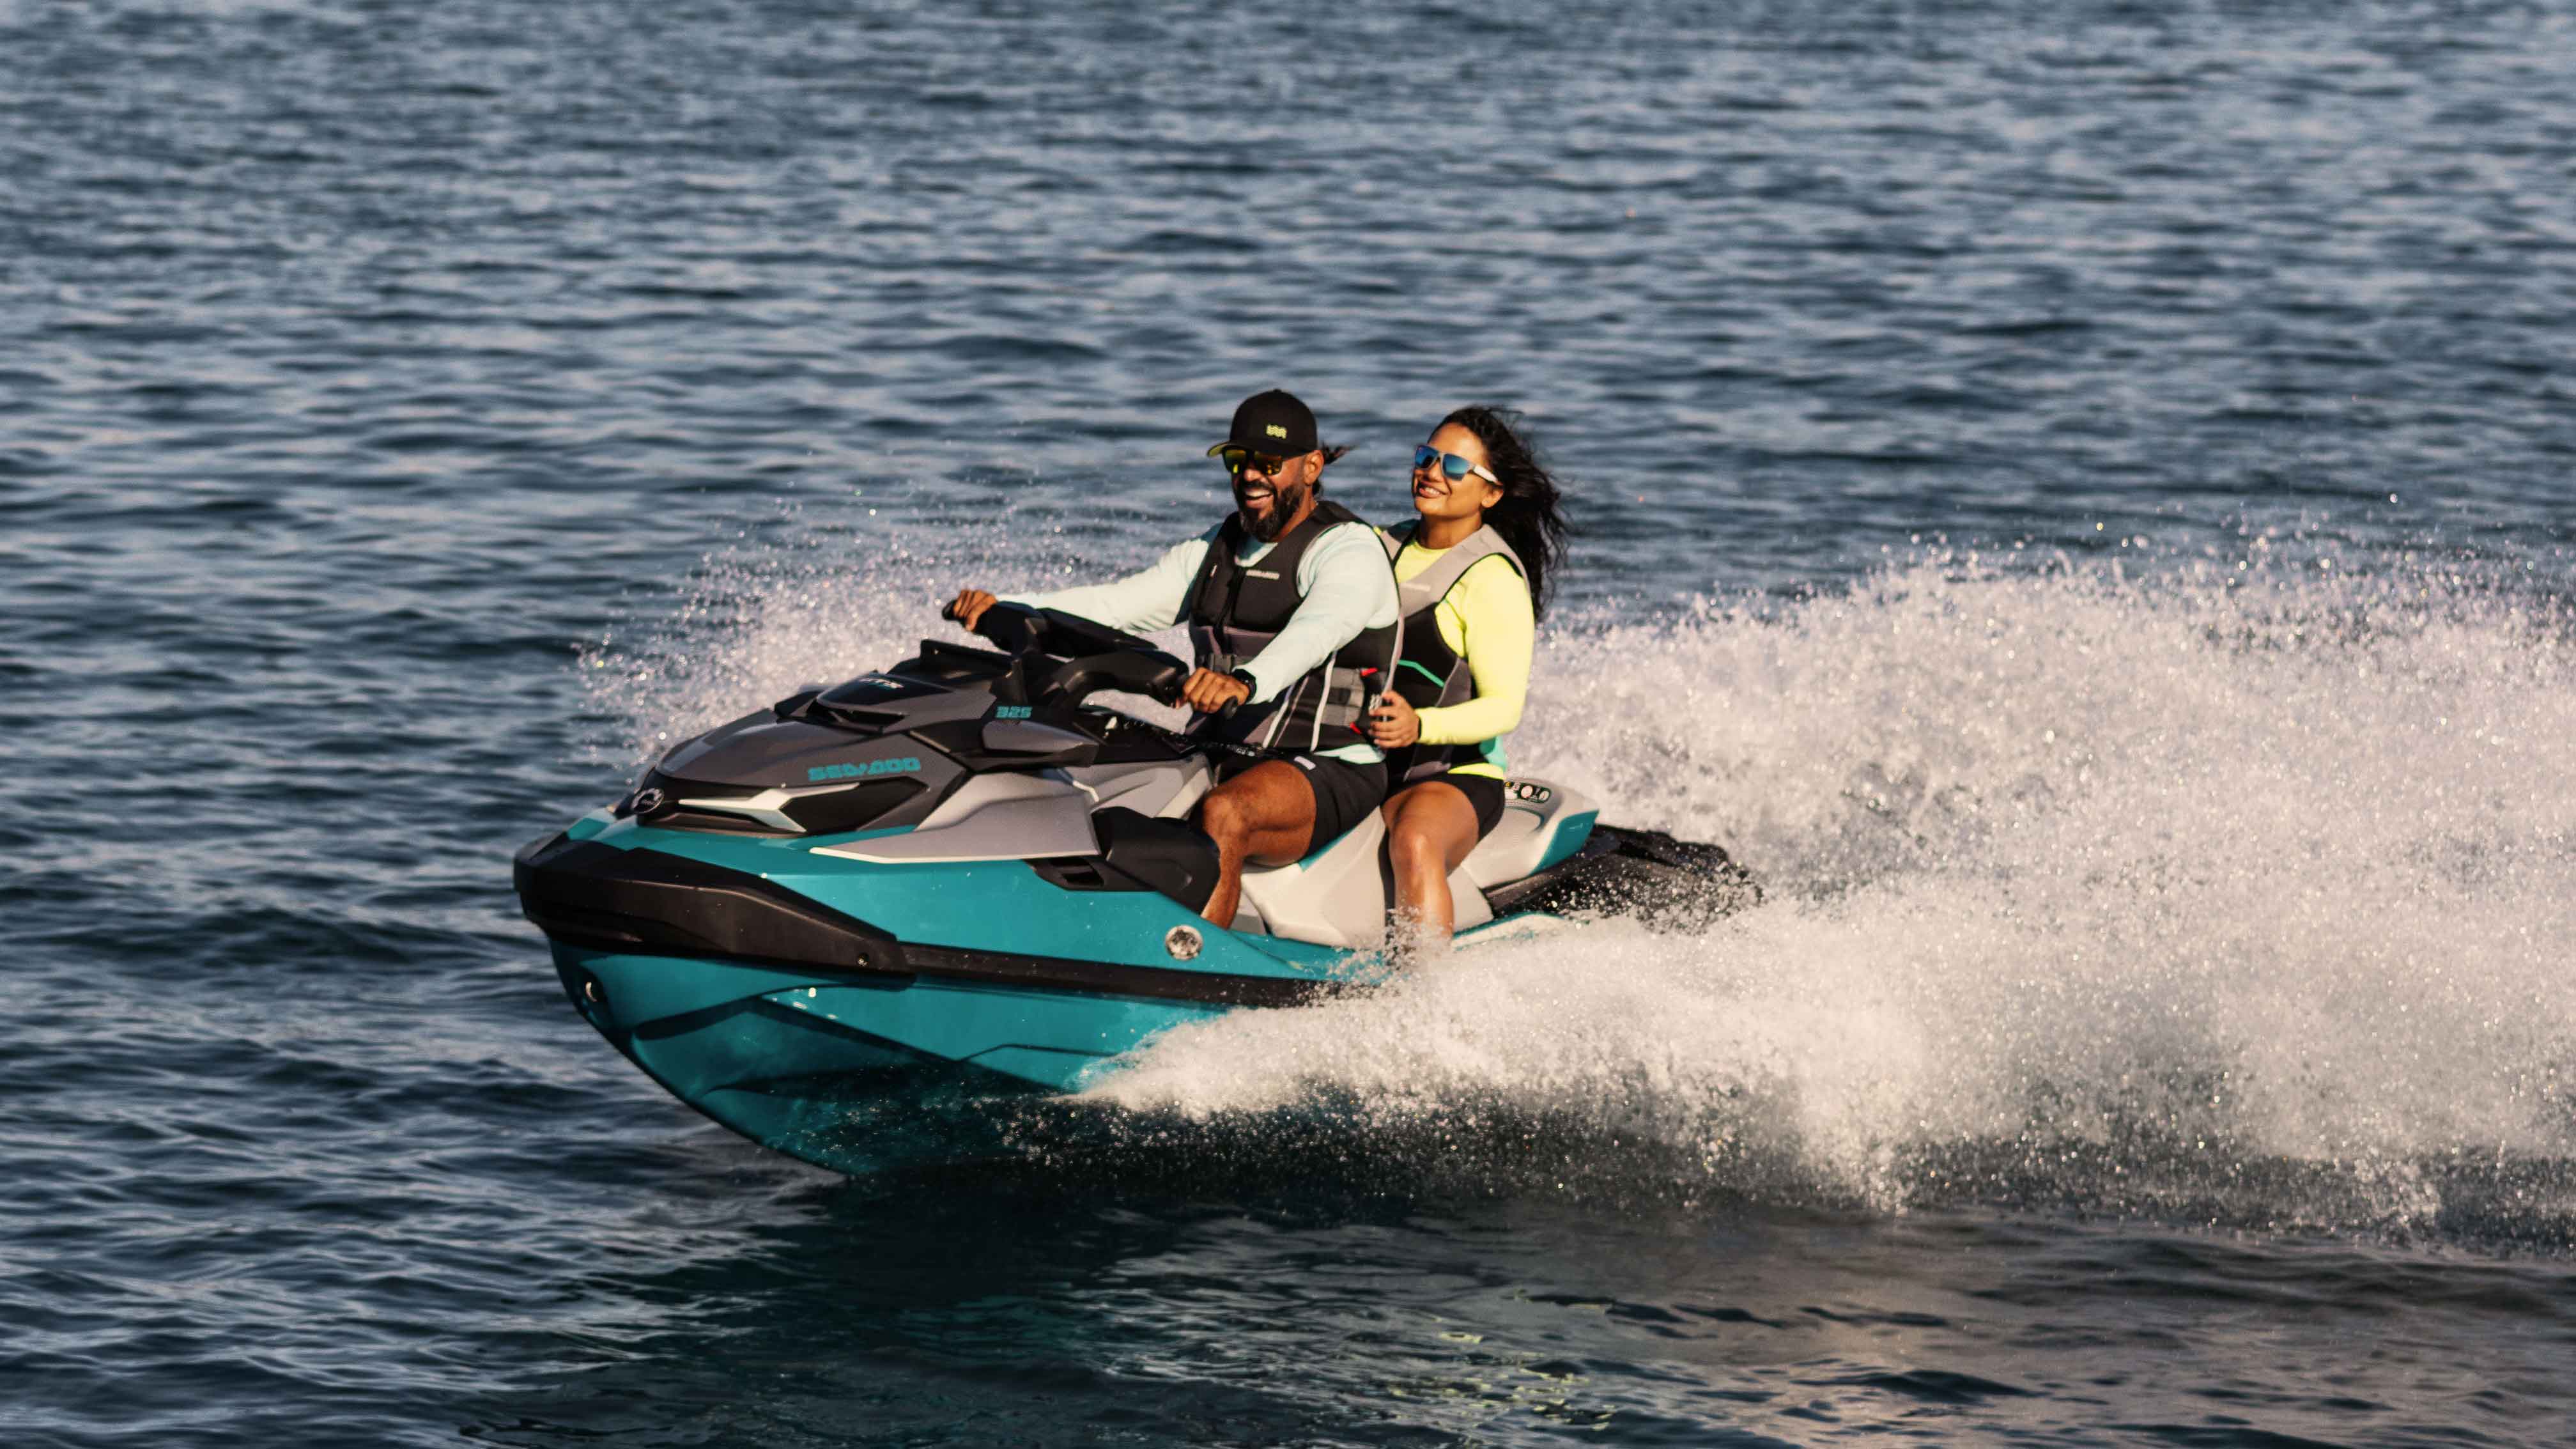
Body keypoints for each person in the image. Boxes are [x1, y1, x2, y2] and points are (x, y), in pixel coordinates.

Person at [947, 389, 1400, 929]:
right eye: (1239, 461)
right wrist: (1009, 607)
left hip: (1328, 762)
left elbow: (1319, 629)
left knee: (1226, 813)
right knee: (1078, 775)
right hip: (1217, 747)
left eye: (1269, 464)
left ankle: (1202, 971)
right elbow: (1118, 604)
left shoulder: (1348, 549)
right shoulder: (1216, 548)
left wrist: (1247, 682)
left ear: (1311, 466)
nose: (1251, 476)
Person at [1365, 405, 1570, 948]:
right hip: (1359, 761)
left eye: (1454, 466)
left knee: (1414, 842)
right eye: (1425, 457)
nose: (1431, 471)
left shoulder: (1491, 577)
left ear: (1491, 493)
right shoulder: (1379, 548)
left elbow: (1505, 708)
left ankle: (1426, 997)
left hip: (1452, 774)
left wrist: (1419, 726)